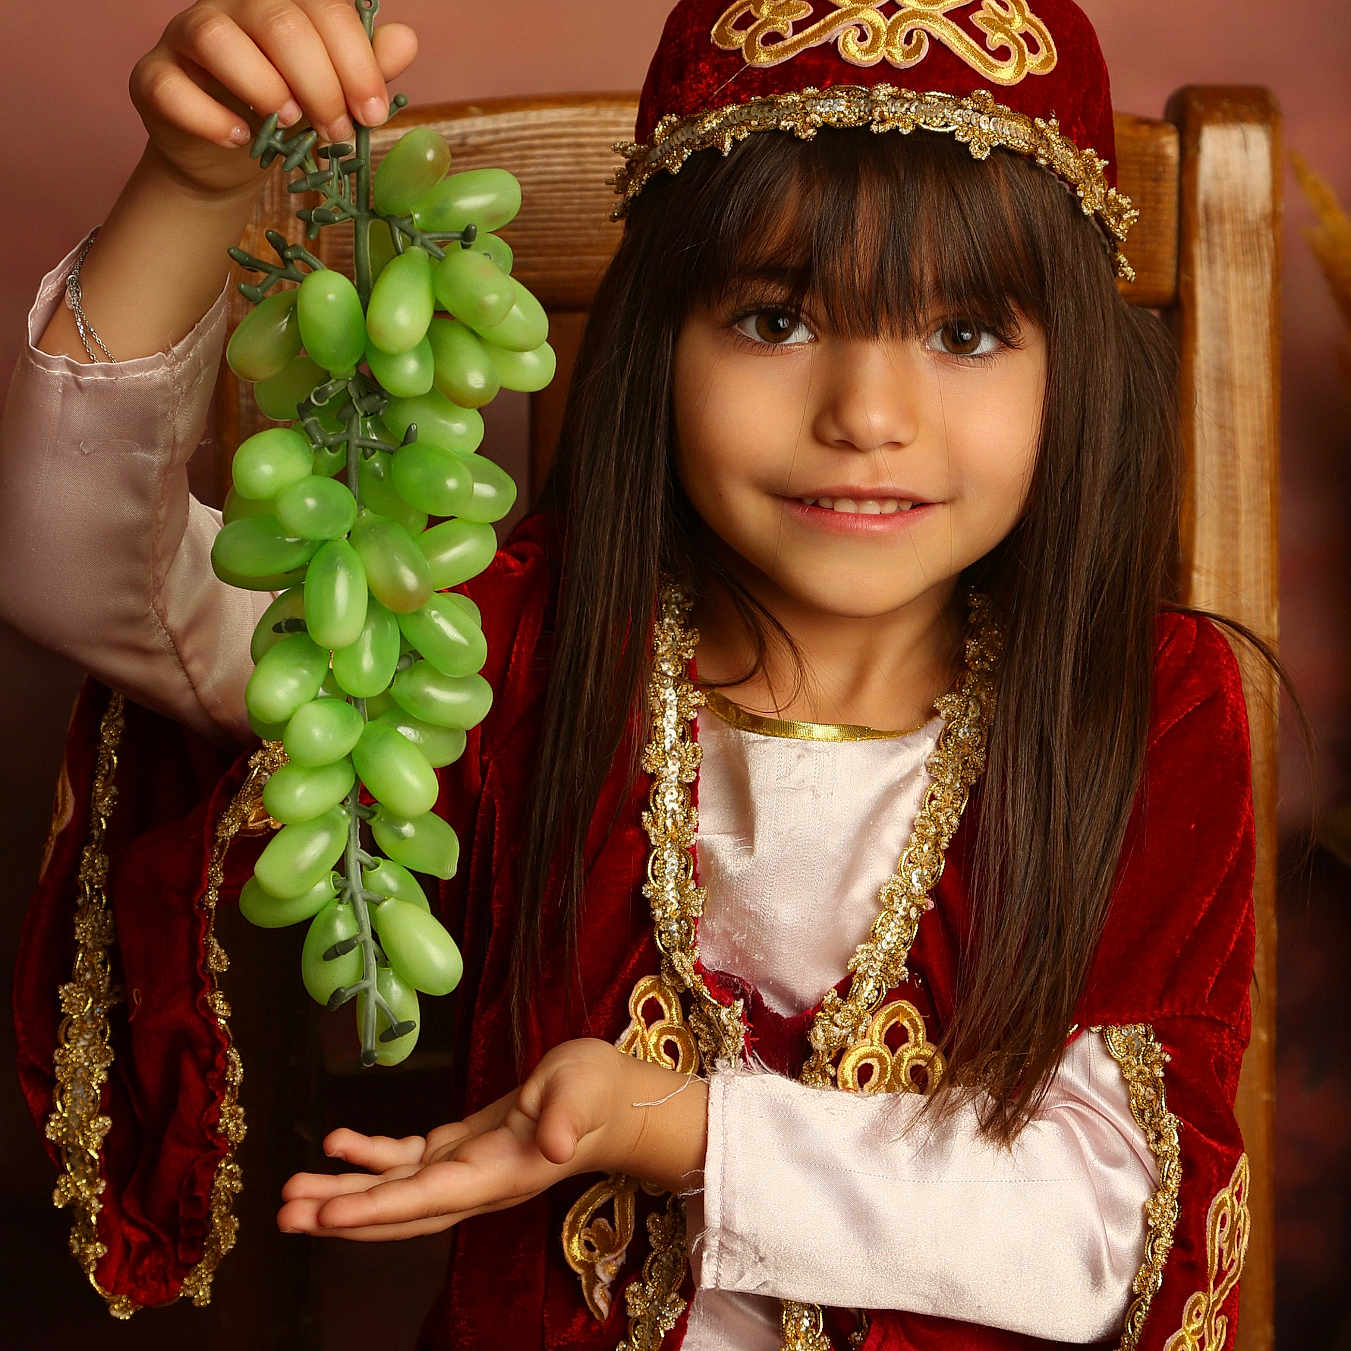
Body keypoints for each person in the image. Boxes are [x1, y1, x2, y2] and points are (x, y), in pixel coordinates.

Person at [2, 1, 1261, 1348]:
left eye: (963, 336)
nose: (869, 418)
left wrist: (658, 1123)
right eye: (776, 321)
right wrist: (193, 186)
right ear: (658, 344)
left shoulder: (1138, 706)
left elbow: (1100, 1223)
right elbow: (76, 573)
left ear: (1077, 371)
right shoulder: (506, 646)